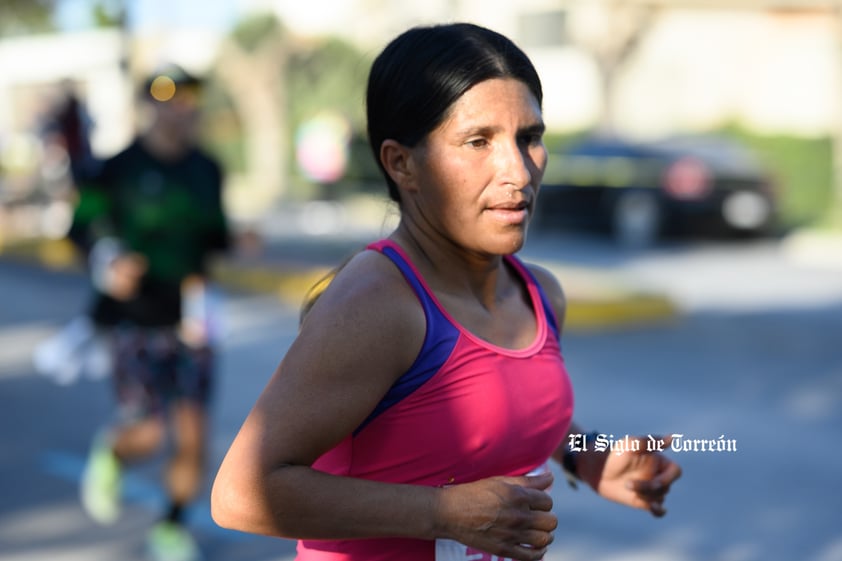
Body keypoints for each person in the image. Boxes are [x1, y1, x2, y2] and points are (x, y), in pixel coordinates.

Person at [210, 22, 682, 561]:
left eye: (529, 138)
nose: (518, 171)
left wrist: (588, 457)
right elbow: (240, 495)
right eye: (478, 141)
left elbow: (520, 413)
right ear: (401, 163)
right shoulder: (380, 303)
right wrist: (445, 513)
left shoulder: (539, 294)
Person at [69, 64, 230, 561]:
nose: (180, 106)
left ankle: (171, 527)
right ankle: (112, 451)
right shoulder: (117, 168)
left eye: (190, 96)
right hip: (135, 317)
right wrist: (108, 258)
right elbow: (82, 226)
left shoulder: (207, 167)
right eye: (167, 96)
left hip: (193, 317)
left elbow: (215, 234)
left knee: (194, 437)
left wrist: (238, 238)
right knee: (149, 432)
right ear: (147, 105)